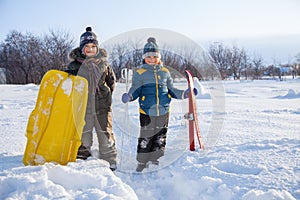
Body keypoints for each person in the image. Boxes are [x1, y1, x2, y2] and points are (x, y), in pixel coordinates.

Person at [121, 37, 197, 172]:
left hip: (164, 110)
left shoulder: (165, 72)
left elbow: (171, 90)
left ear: (159, 57)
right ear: (144, 58)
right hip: (146, 111)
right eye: (148, 56)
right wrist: (130, 96)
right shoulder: (140, 73)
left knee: (160, 136)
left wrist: (185, 94)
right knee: (146, 136)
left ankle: (156, 159)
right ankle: (142, 162)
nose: (151, 59)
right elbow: (136, 89)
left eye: (154, 56)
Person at [66, 27, 117, 171]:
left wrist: (106, 96)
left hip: (102, 106)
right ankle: (82, 157)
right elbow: (69, 84)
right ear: (82, 48)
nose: (90, 49)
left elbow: (111, 82)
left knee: (105, 133)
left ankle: (109, 158)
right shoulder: (74, 66)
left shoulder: (104, 64)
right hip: (82, 106)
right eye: (87, 46)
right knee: (83, 132)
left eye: (93, 46)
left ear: (97, 48)